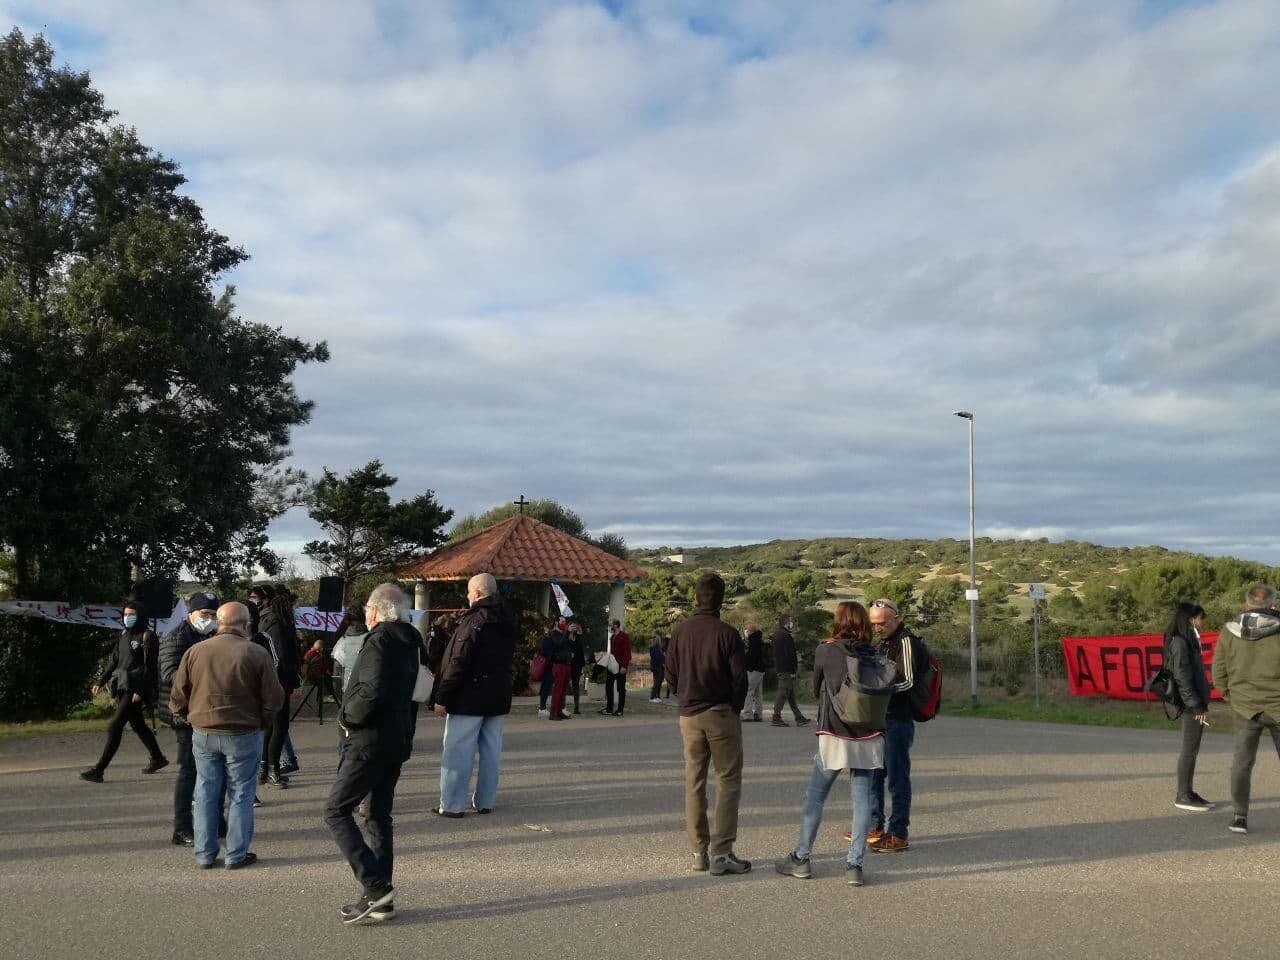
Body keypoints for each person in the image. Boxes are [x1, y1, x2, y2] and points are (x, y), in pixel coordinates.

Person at [324, 583, 419, 924]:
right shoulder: (410, 641)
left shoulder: (379, 640)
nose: (365, 613)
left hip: (369, 740)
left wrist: (347, 717)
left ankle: (376, 886)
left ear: (377, 611)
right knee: (378, 816)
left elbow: (371, 689)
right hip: (395, 738)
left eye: (367, 608)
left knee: (336, 810)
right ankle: (382, 896)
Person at [775, 602, 884, 886]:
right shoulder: (873, 652)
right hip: (869, 736)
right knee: (862, 803)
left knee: (815, 797)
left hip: (834, 733)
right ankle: (854, 865)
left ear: (839, 621)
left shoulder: (826, 649)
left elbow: (814, 688)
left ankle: (801, 858)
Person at [169, 601, 283, 870]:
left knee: (206, 790)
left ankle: (204, 854)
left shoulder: (195, 651)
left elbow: (177, 695)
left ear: (219, 623)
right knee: (242, 793)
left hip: (203, 732)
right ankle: (236, 854)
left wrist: (189, 716)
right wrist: (262, 721)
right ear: (246, 625)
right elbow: (274, 698)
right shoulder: (255, 653)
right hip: (244, 732)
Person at [665, 572, 750, 876]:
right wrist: (735, 707)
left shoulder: (680, 632)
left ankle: (698, 851)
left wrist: (683, 696)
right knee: (727, 781)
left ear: (695, 599)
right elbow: (741, 678)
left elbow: (671, 674)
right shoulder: (728, 634)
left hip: (688, 715)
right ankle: (722, 852)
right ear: (721, 600)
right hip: (721, 713)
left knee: (694, 781)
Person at [434, 573, 518, 817]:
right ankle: (485, 801)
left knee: (458, 752)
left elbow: (458, 660)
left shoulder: (474, 621)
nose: (467, 596)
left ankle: (451, 804)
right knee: (491, 752)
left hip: (468, 696)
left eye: (469, 592)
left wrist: (442, 697)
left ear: (478, 593)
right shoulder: (509, 618)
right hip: (498, 693)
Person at [1212, 583, 1280, 835]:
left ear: (1246, 604)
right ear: (1272, 605)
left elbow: (1218, 669)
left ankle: (1239, 816)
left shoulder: (1229, 631)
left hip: (1243, 706)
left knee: (1242, 763)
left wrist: (1229, 695)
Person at [866, 598, 929, 853]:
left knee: (897, 778)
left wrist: (880, 691)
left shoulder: (906, 642)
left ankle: (898, 832)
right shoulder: (883, 642)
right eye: (874, 624)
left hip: (898, 719)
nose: (878, 628)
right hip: (880, 718)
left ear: (897, 618)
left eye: (882, 623)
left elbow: (909, 682)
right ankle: (874, 825)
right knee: (874, 774)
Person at [80, 601, 167, 782]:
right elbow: (114, 660)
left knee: (115, 726)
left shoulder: (148, 636)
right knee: (138, 725)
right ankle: (158, 758)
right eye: (126, 615)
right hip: (121, 685)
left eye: (131, 615)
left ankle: (99, 770)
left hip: (135, 689)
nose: (128, 618)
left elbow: (150, 668)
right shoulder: (124, 634)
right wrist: (101, 680)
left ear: (140, 615)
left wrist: (141, 691)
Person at [158, 591, 220, 846]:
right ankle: (182, 827)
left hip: (210, 713)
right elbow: (169, 674)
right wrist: (205, 681)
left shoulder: (215, 637)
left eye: (214, 615)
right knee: (189, 771)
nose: (209, 619)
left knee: (216, 770)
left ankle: (216, 820)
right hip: (183, 714)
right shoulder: (175, 637)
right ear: (191, 613)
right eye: (204, 614)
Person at [1164, 602, 1214, 812]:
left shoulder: (1187, 641)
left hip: (1193, 702)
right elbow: (1183, 678)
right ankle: (1183, 794)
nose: (1202, 623)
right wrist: (1196, 706)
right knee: (1189, 750)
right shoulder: (1179, 643)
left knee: (1191, 749)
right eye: (1200, 618)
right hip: (1189, 705)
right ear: (1191, 619)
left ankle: (1188, 791)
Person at [259, 591, 300, 787]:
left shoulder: (268, 622)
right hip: (279, 683)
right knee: (279, 727)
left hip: (274, 681)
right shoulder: (278, 626)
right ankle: (272, 769)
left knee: (272, 727)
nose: (296, 610)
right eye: (294, 607)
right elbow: (282, 658)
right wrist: (294, 682)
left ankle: (264, 768)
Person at [771, 614, 809, 727]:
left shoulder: (777, 634)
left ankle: (799, 717)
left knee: (790, 695)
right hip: (786, 669)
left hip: (780, 667)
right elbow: (790, 655)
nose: (792, 624)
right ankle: (776, 717)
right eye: (791, 621)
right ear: (786, 622)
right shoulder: (786, 636)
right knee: (783, 692)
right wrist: (793, 670)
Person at [602, 619, 632, 717]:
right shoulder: (612, 637)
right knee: (608, 686)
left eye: (611, 625)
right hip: (612, 664)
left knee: (621, 688)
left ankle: (620, 710)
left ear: (615, 625)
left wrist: (624, 666)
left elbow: (627, 652)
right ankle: (609, 708)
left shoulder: (624, 637)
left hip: (621, 665)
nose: (609, 626)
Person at [537, 619, 567, 717]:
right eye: (562, 621)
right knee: (547, 685)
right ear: (555, 623)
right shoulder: (553, 635)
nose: (564, 623)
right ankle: (542, 708)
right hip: (549, 664)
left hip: (553, 663)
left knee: (550, 685)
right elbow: (555, 646)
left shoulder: (556, 635)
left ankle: (545, 707)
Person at [741, 623, 765, 721]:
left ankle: (747, 714)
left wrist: (746, 665)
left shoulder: (753, 641)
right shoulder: (759, 639)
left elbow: (752, 657)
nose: (745, 632)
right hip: (761, 669)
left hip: (753, 669)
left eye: (746, 630)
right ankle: (758, 714)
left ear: (750, 631)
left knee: (748, 691)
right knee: (758, 693)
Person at [568, 623, 587, 714]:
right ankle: (561, 706)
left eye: (576, 628)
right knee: (565, 685)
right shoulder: (566, 638)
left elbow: (581, 652)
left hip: (577, 666)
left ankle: (576, 707)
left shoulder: (578, 639)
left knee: (576, 686)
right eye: (573, 628)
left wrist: (582, 666)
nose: (575, 629)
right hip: (568, 665)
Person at [648, 633, 666, 703]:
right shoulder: (656, 648)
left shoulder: (654, 647)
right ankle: (652, 697)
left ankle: (655, 696)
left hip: (655, 666)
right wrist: (662, 657)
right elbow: (657, 658)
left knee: (658, 682)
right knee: (656, 682)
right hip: (657, 666)